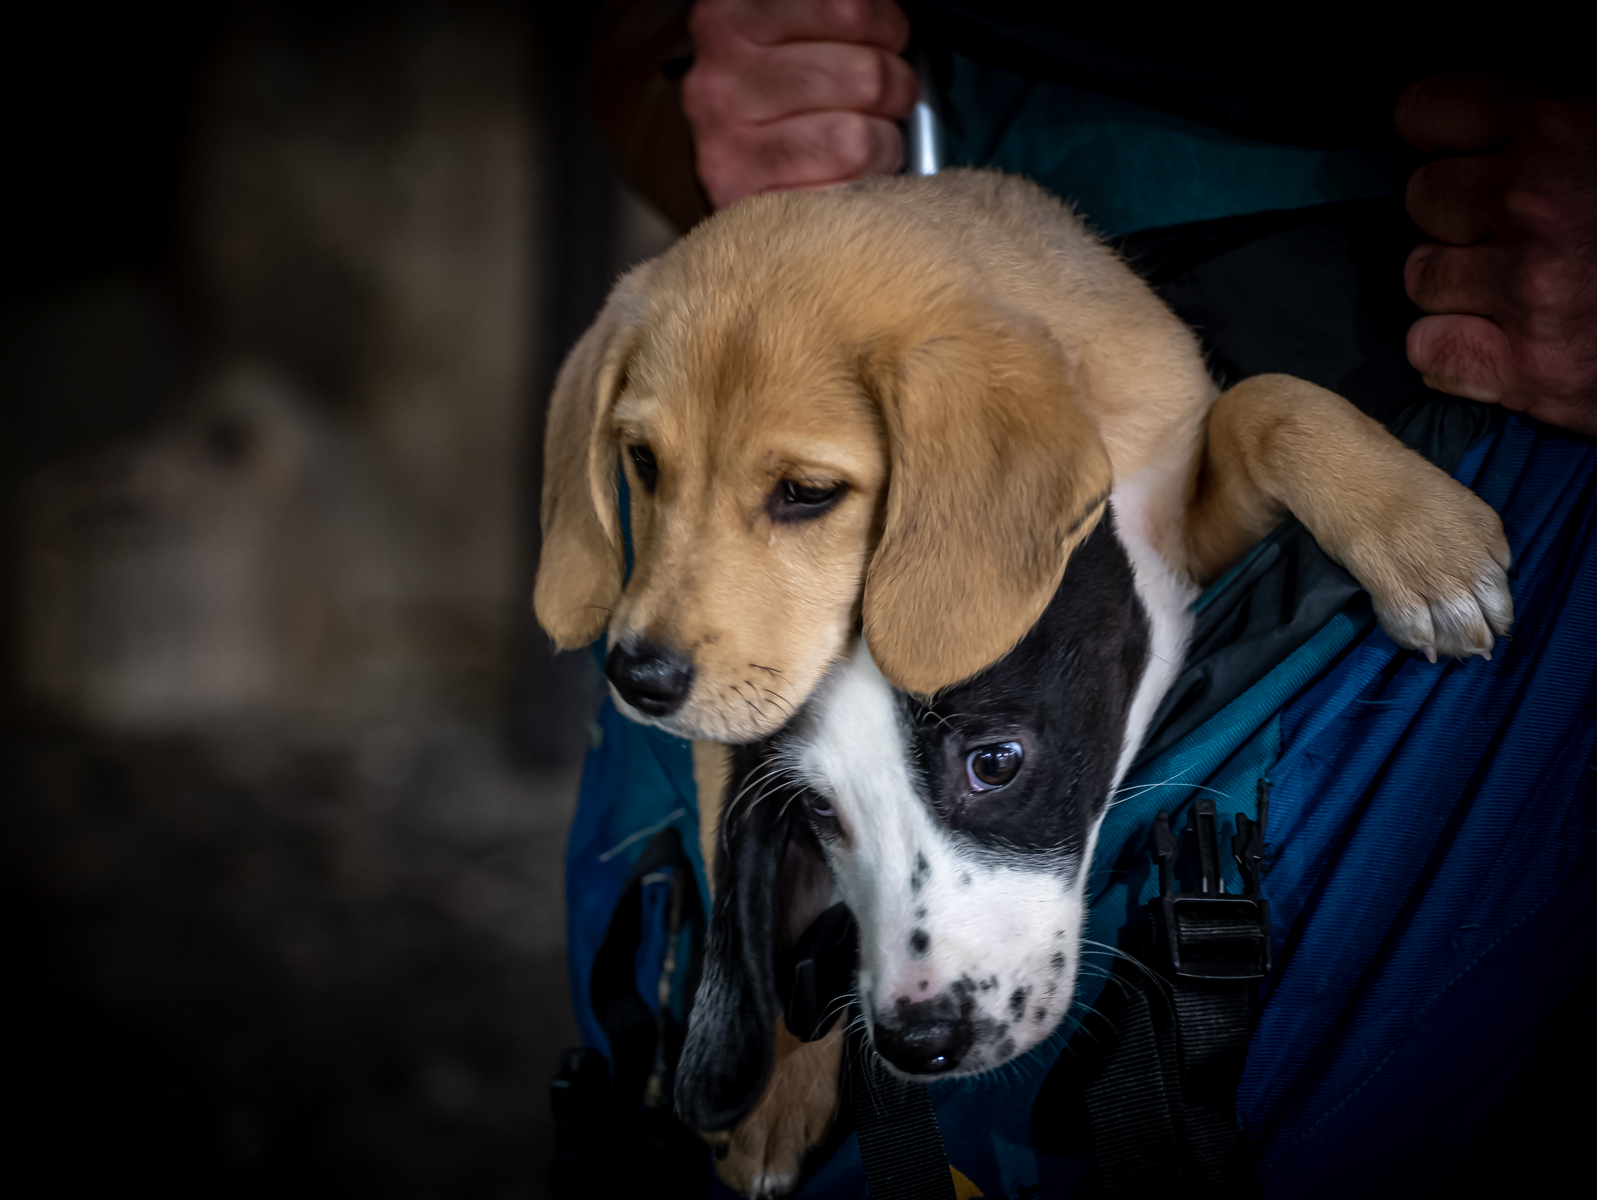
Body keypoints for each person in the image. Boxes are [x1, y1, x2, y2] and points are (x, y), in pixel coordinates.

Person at [559, 4, 1595, 1196]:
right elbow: (643, 38)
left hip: (1463, 342)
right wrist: (698, 68)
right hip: (934, 236)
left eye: (799, 490)